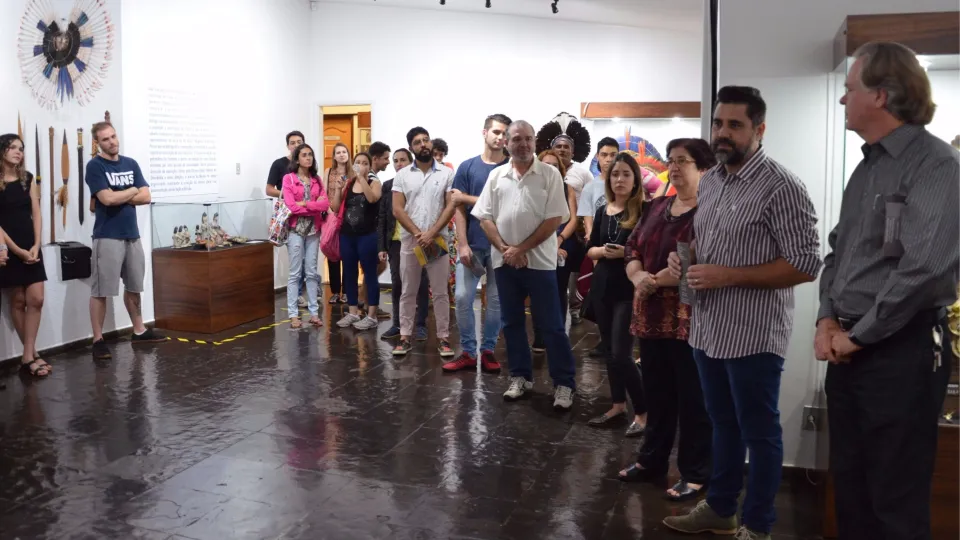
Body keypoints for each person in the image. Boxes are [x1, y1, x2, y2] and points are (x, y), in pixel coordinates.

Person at [663, 86, 822, 540]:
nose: (723, 133)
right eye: (718, 123)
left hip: (753, 335)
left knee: (760, 433)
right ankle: (720, 508)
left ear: (759, 130)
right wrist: (683, 260)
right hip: (708, 329)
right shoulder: (710, 181)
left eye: (735, 125)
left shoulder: (782, 187)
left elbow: (805, 264)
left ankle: (758, 526)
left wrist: (728, 276)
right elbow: (706, 247)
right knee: (721, 423)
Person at [816, 41, 959, 540]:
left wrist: (859, 336)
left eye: (849, 89)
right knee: (851, 493)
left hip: (901, 352)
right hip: (849, 349)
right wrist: (827, 319)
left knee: (893, 500)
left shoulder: (937, 165)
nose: (842, 99)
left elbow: (924, 270)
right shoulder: (868, 166)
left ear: (881, 94)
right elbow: (838, 251)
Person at [618, 138, 715, 502]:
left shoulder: (710, 211)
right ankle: (651, 461)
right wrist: (637, 277)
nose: (674, 168)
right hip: (651, 314)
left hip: (689, 320)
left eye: (683, 162)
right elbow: (633, 247)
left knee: (693, 400)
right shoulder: (657, 205)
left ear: (704, 168)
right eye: (671, 161)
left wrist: (654, 281)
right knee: (657, 395)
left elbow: (700, 261)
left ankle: (695, 472)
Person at [472, 120, 577, 411]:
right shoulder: (496, 176)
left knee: (551, 325)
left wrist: (522, 248)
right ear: (506, 142)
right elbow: (485, 218)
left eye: (528, 139)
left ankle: (564, 383)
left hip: (540, 263)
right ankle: (520, 377)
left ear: (534, 142)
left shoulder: (549, 175)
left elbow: (555, 219)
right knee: (512, 322)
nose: (524, 144)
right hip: (505, 262)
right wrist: (506, 249)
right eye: (517, 139)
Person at [86, 122, 167, 359]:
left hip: (132, 234)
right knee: (101, 289)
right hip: (107, 235)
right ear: (97, 143)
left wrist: (123, 194)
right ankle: (98, 339)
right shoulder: (95, 166)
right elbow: (106, 199)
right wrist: (132, 191)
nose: (112, 142)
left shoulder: (130, 163)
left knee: (134, 285)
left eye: (113, 137)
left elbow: (146, 195)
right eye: (105, 139)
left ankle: (139, 330)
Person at [583, 152, 648, 436]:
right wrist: (602, 251)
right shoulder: (603, 210)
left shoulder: (644, 211)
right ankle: (618, 404)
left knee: (622, 353)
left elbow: (650, 253)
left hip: (628, 289)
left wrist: (625, 253)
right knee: (610, 352)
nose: (619, 179)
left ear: (635, 180)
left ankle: (644, 411)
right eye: (615, 174)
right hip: (603, 286)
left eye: (625, 174)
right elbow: (592, 248)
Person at [443, 114, 511, 374]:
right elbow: (457, 207)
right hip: (472, 244)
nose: (500, 137)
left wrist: (466, 198)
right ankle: (469, 352)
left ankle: (488, 350)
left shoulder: (511, 168)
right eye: (496, 131)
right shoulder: (467, 167)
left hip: (501, 245)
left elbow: (498, 207)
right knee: (462, 297)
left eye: (504, 133)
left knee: (495, 301)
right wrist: (462, 244)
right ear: (484, 132)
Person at [391, 127, 457, 357]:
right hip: (411, 242)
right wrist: (420, 234)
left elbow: (450, 206)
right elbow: (398, 210)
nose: (423, 144)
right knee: (408, 290)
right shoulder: (402, 176)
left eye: (426, 140)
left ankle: (443, 339)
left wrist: (432, 233)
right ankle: (405, 337)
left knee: (440, 292)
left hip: (437, 240)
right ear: (412, 148)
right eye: (418, 142)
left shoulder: (446, 173)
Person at [0, 134, 49, 377]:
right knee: (18, 301)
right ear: (2, 151)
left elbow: (37, 213)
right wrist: (16, 250)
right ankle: (31, 355)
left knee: (36, 299)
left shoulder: (27, 179)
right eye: (12, 148)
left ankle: (28, 354)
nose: (18, 152)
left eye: (21, 148)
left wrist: (37, 244)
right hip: (7, 248)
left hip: (31, 245)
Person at [529, 150, 582, 353]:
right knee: (537, 291)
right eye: (546, 163)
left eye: (554, 165)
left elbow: (573, 219)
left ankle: (558, 333)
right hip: (538, 243)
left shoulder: (566, 187)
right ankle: (540, 336)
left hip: (562, 242)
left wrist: (558, 241)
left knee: (559, 290)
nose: (550, 167)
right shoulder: (531, 187)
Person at [378, 148, 430, 340]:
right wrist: (382, 246)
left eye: (403, 160)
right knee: (397, 284)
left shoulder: (422, 183)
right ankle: (398, 324)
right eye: (396, 160)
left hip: (418, 239)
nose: (399, 163)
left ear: (411, 161)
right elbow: (383, 217)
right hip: (396, 242)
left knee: (421, 283)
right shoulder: (388, 185)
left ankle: (421, 324)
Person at [577, 137, 622, 358]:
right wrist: (593, 246)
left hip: (623, 249)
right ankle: (606, 340)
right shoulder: (590, 187)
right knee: (601, 295)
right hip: (599, 246)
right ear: (597, 156)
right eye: (604, 155)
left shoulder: (626, 185)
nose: (608, 159)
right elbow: (587, 220)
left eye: (613, 155)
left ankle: (618, 341)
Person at [332, 151, 382, 330]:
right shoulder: (349, 184)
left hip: (367, 236)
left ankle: (371, 315)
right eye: (358, 162)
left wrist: (362, 178)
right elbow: (336, 208)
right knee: (349, 273)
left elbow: (372, 198)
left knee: (369, 274)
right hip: (347, 235)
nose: (361, 165)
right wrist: (338, 189)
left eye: (364, 162)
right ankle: (353, 312)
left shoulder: (374, 183)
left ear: (369, 166)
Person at [282, 143, 329, 329]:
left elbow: (324, 204)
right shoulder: (289, 179)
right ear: (297, 158)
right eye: (304, 155)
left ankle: (314, 313)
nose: (308, 158)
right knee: (295, 273)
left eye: (310, 154)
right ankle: (293, 315)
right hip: (295, 230)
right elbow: (291, 206)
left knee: (311, 272)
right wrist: (312, 204)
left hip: (313, 230)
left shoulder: (316, 179)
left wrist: (306, 204)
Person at [267, 131, 307, 307]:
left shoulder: (308, 163)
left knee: (306, 257)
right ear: (288, 145)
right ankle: (296, 296)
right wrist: (286, 194)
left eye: (299, 142)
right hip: (288, 215)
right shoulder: (279, 164)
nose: (296, 145)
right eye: (293, 142)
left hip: (305, 214)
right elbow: (269, 190)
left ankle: (304, 292)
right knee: (296, 256)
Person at [324, 142, 354, 304]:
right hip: (331, 216)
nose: (342, 154)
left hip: (349, 217)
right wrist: (329, 212)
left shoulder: (353, 172)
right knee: (332, 253)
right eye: (338, 152)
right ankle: (335, 291)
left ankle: (349, 291)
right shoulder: (328, 172)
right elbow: (323, 193)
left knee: (348, 254)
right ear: (334, 156)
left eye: (344, 151)